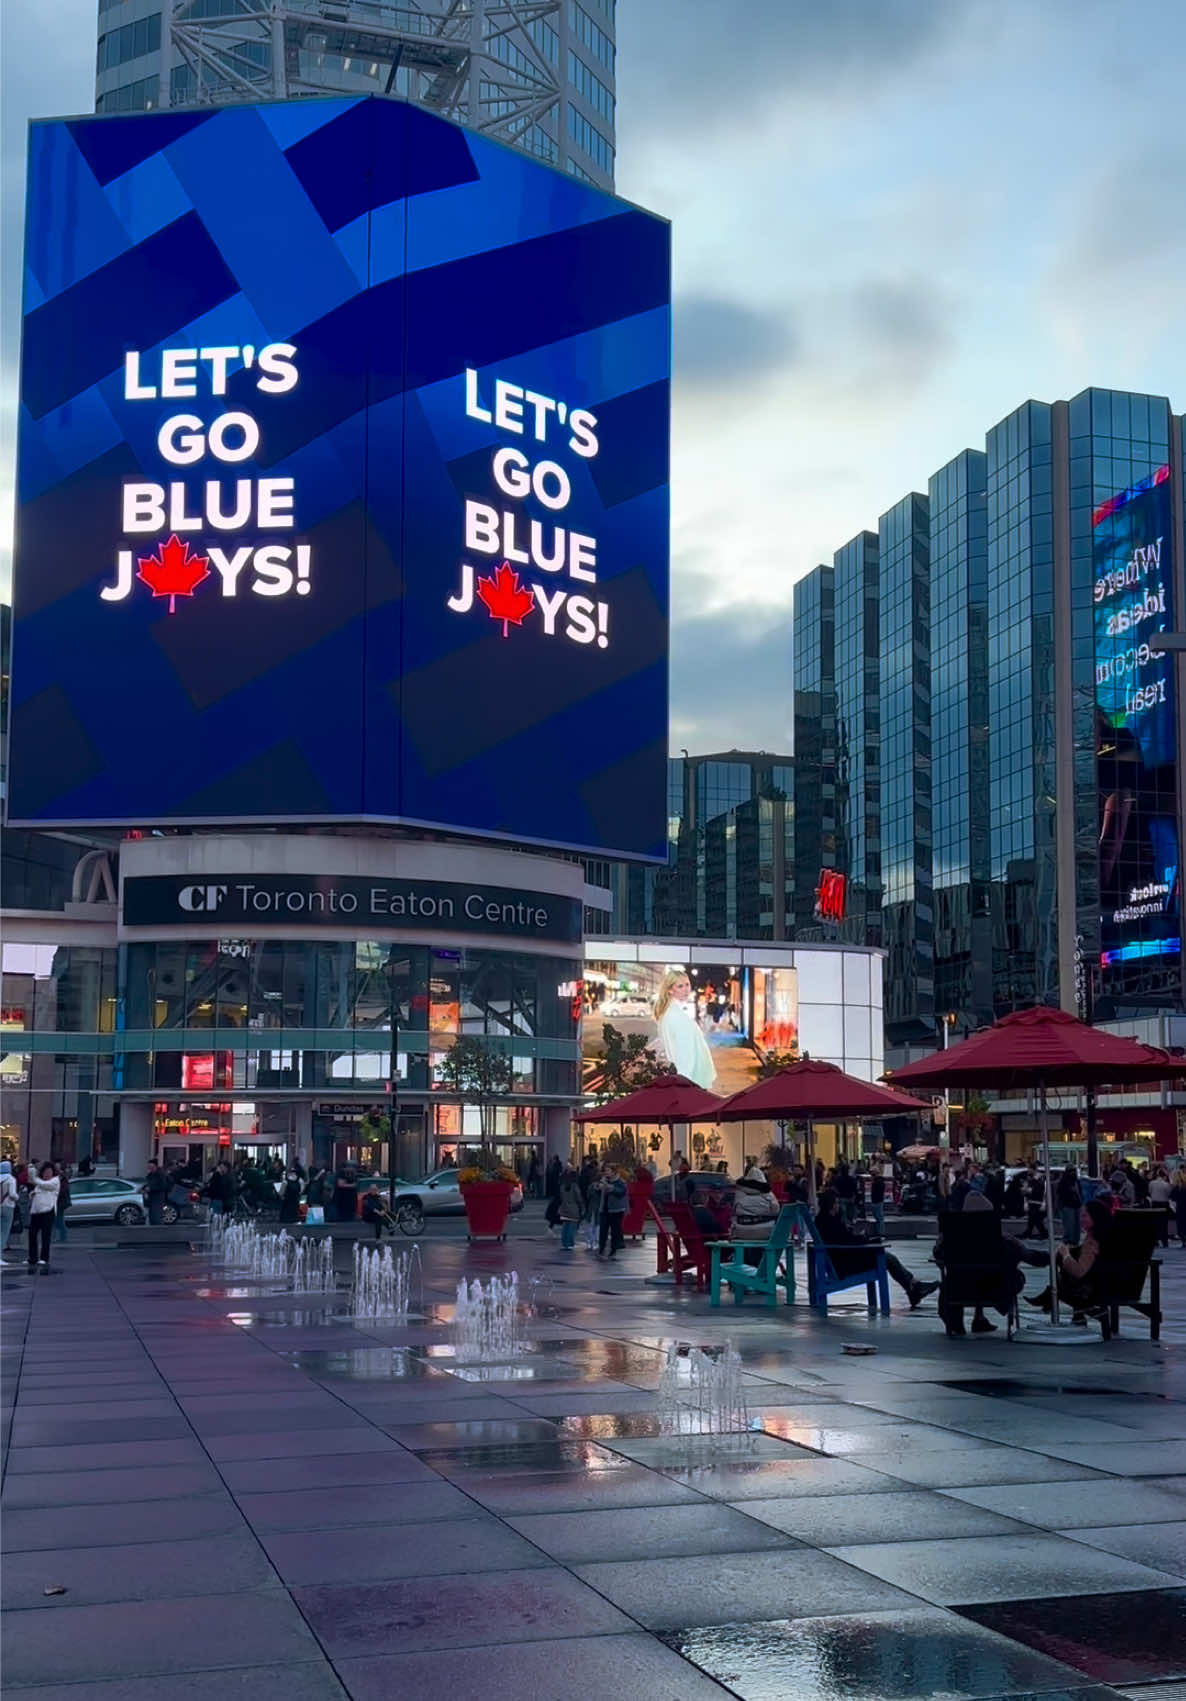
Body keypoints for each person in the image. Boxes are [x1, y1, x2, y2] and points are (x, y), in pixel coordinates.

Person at [814, 1187, 939, 1309]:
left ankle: (913, 1287)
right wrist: (862, 1240)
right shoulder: (829, 1222)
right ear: (829, 1205)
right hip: (844, 1264)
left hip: (841, 1259)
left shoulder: (824, 1220)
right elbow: (844, 1241)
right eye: (836, 1203)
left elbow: (843, 1239)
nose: (838, 1206)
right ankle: (913, 1288)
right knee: (886, 1258)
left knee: (886, 1256)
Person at [1026, 1197, 1115, 1320]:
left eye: (1085, 1216)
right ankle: (1050, 1298)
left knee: (1061, 1264)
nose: (1081, 1219)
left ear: (1095, 1217)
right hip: (1105, 1284)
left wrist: (1066, 1254)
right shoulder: (1106, 1236)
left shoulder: (1092, 1242)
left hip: (1089, 1292)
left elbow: (1079, 1271)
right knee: (1068, 1255)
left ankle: (1049, 1296)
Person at [652, 968, 715, 1089]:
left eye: (687, 984)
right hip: (690, 1080)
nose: (686, 989)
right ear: (670, 990)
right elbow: (683, 1053)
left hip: (690, 1079)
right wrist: (686, 1083)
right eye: (680, 986)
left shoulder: (673, 1012)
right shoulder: (674, 1015)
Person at [732, 1163, 780, 1266]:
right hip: (765, 1232)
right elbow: (776, 1210)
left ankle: (745, 1267)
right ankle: (760, 1267)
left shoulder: (739, 1192)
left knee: (744, 1244)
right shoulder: (768, 1194)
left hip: (742, 1232)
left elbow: (735, 1210)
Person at [26, 1162, 60, 1273]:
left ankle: (44, 1258)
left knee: (46, 1235)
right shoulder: (40, 1183)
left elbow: (45, 1186)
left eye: (49, 1172)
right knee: (32, 1234)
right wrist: (32, 1194)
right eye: (45, 1172)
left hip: (47, 1211)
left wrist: (34, 1177)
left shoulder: (55, 1181)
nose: (47, 1174)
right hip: (36, 1211)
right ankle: (32, 1258)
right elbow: (35, 1191)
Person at [597, 1163, 628, 1257]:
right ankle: (601, 1249)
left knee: (615, 1230)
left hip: (616, 1210)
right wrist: (598, 1187)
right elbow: (597, 1191)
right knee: (603, 1230)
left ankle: (613, 1250)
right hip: (604, 1208)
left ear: (614, 1172)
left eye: (608, 1170)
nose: (606, 1173)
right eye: (605, 1171)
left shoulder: (620, 1182)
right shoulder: (604, 1181)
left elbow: (621, 1192)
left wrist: (609, 1188)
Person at [557, 1162, 583, 1251]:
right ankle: (570, 1243)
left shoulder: (562, 1186)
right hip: (573, 1208)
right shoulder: (574, 1186)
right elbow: (578, 1198)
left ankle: (564, 1243)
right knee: (572, 1227)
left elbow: (560, 1197)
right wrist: (582, 1206)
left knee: (565, 1226)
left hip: (564, 1208)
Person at [1056, 1165, 1082, 1248]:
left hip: (1077, 1205)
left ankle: (1075, 1241)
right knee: (1069, 1224)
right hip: (1068, 1206)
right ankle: (1069, 1241)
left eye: (1074, 1171)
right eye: (1071, 1171)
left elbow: (1080, 1193)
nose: (1072, 1173)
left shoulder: (1076, 1181)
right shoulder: (1064, 1182)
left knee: (1077, 1225)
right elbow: (1060, 1193)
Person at [0, 1161, 18, 1267]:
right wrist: (17, 1198)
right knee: (3, 1234)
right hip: (7, 1207)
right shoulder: (11, 1179)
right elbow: (12, 1194)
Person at [1024, 1165, 1047, 1239]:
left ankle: (1043, 1233)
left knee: (1036, 1219)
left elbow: (1038, 1190)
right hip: (1033, 1201)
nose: (1028, 1171)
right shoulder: (1033, 1179)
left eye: (1029, 1169)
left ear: (1033, 1169)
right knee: (1031, 1218)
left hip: (1036, 1201)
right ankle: (1028, 1232)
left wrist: (1028, 1190)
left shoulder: (1038, 1179)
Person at [143, 1159, 169, 1225]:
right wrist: (145, 1189)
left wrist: (151, 1188)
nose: (150, 1168)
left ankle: (158, 1227)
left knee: (156, 1213)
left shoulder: (160, 1174)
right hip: (151, 1196)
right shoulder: (150, 1175)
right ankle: (154, 1226)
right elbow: (147, 1183)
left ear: (155, 1166)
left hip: (158, 1196)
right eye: (149, 1167)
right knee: (152, 1213)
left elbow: (163, 1186)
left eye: (151, 1167)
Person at [868, 1159, 887, 1240]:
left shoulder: (878, 1181)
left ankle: (881, 1233)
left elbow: (877, 1191)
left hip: (877, 1200)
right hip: (877, 1200)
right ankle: (880, 1232)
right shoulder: (879, 1181)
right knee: (878, 1217)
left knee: (879, 1217)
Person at [55, 1164, 72, 1243]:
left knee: (59, 1220)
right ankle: (60, 1236)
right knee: (58, 1220)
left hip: (61, 1203)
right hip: (59, 1202)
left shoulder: (63, 1180)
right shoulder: (61, 1179)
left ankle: (62, 1236)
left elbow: (62, 1191)